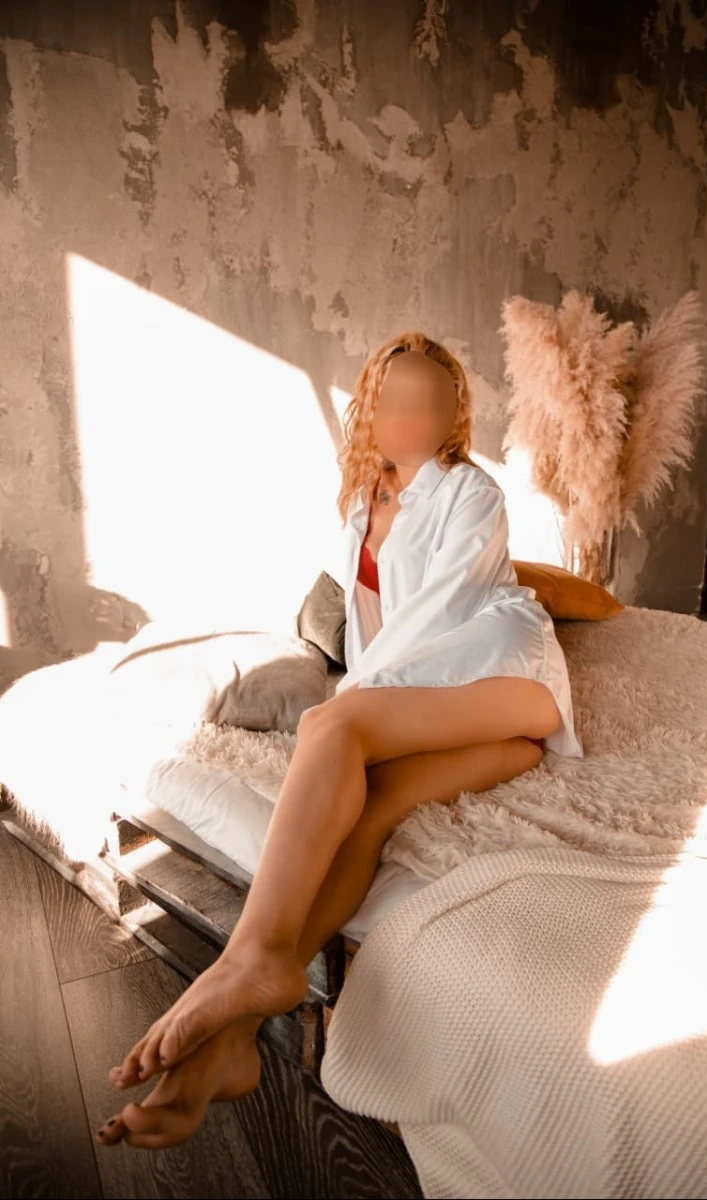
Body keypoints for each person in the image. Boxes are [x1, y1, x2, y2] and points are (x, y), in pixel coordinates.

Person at [96, 332, 583, 1149]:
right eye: (394, 402)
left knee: (334, 723)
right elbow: (369, 632)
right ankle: (231, 1043)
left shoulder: (470, 492)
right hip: (481, 730)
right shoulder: (360, 499)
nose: (411, 418)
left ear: (455, 415)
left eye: (430, 403)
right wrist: (357, 698)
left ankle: (247, 960)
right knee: (368, 810)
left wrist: (350, 707)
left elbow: (434, 618)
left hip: (507, 677)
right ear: (370, 408)